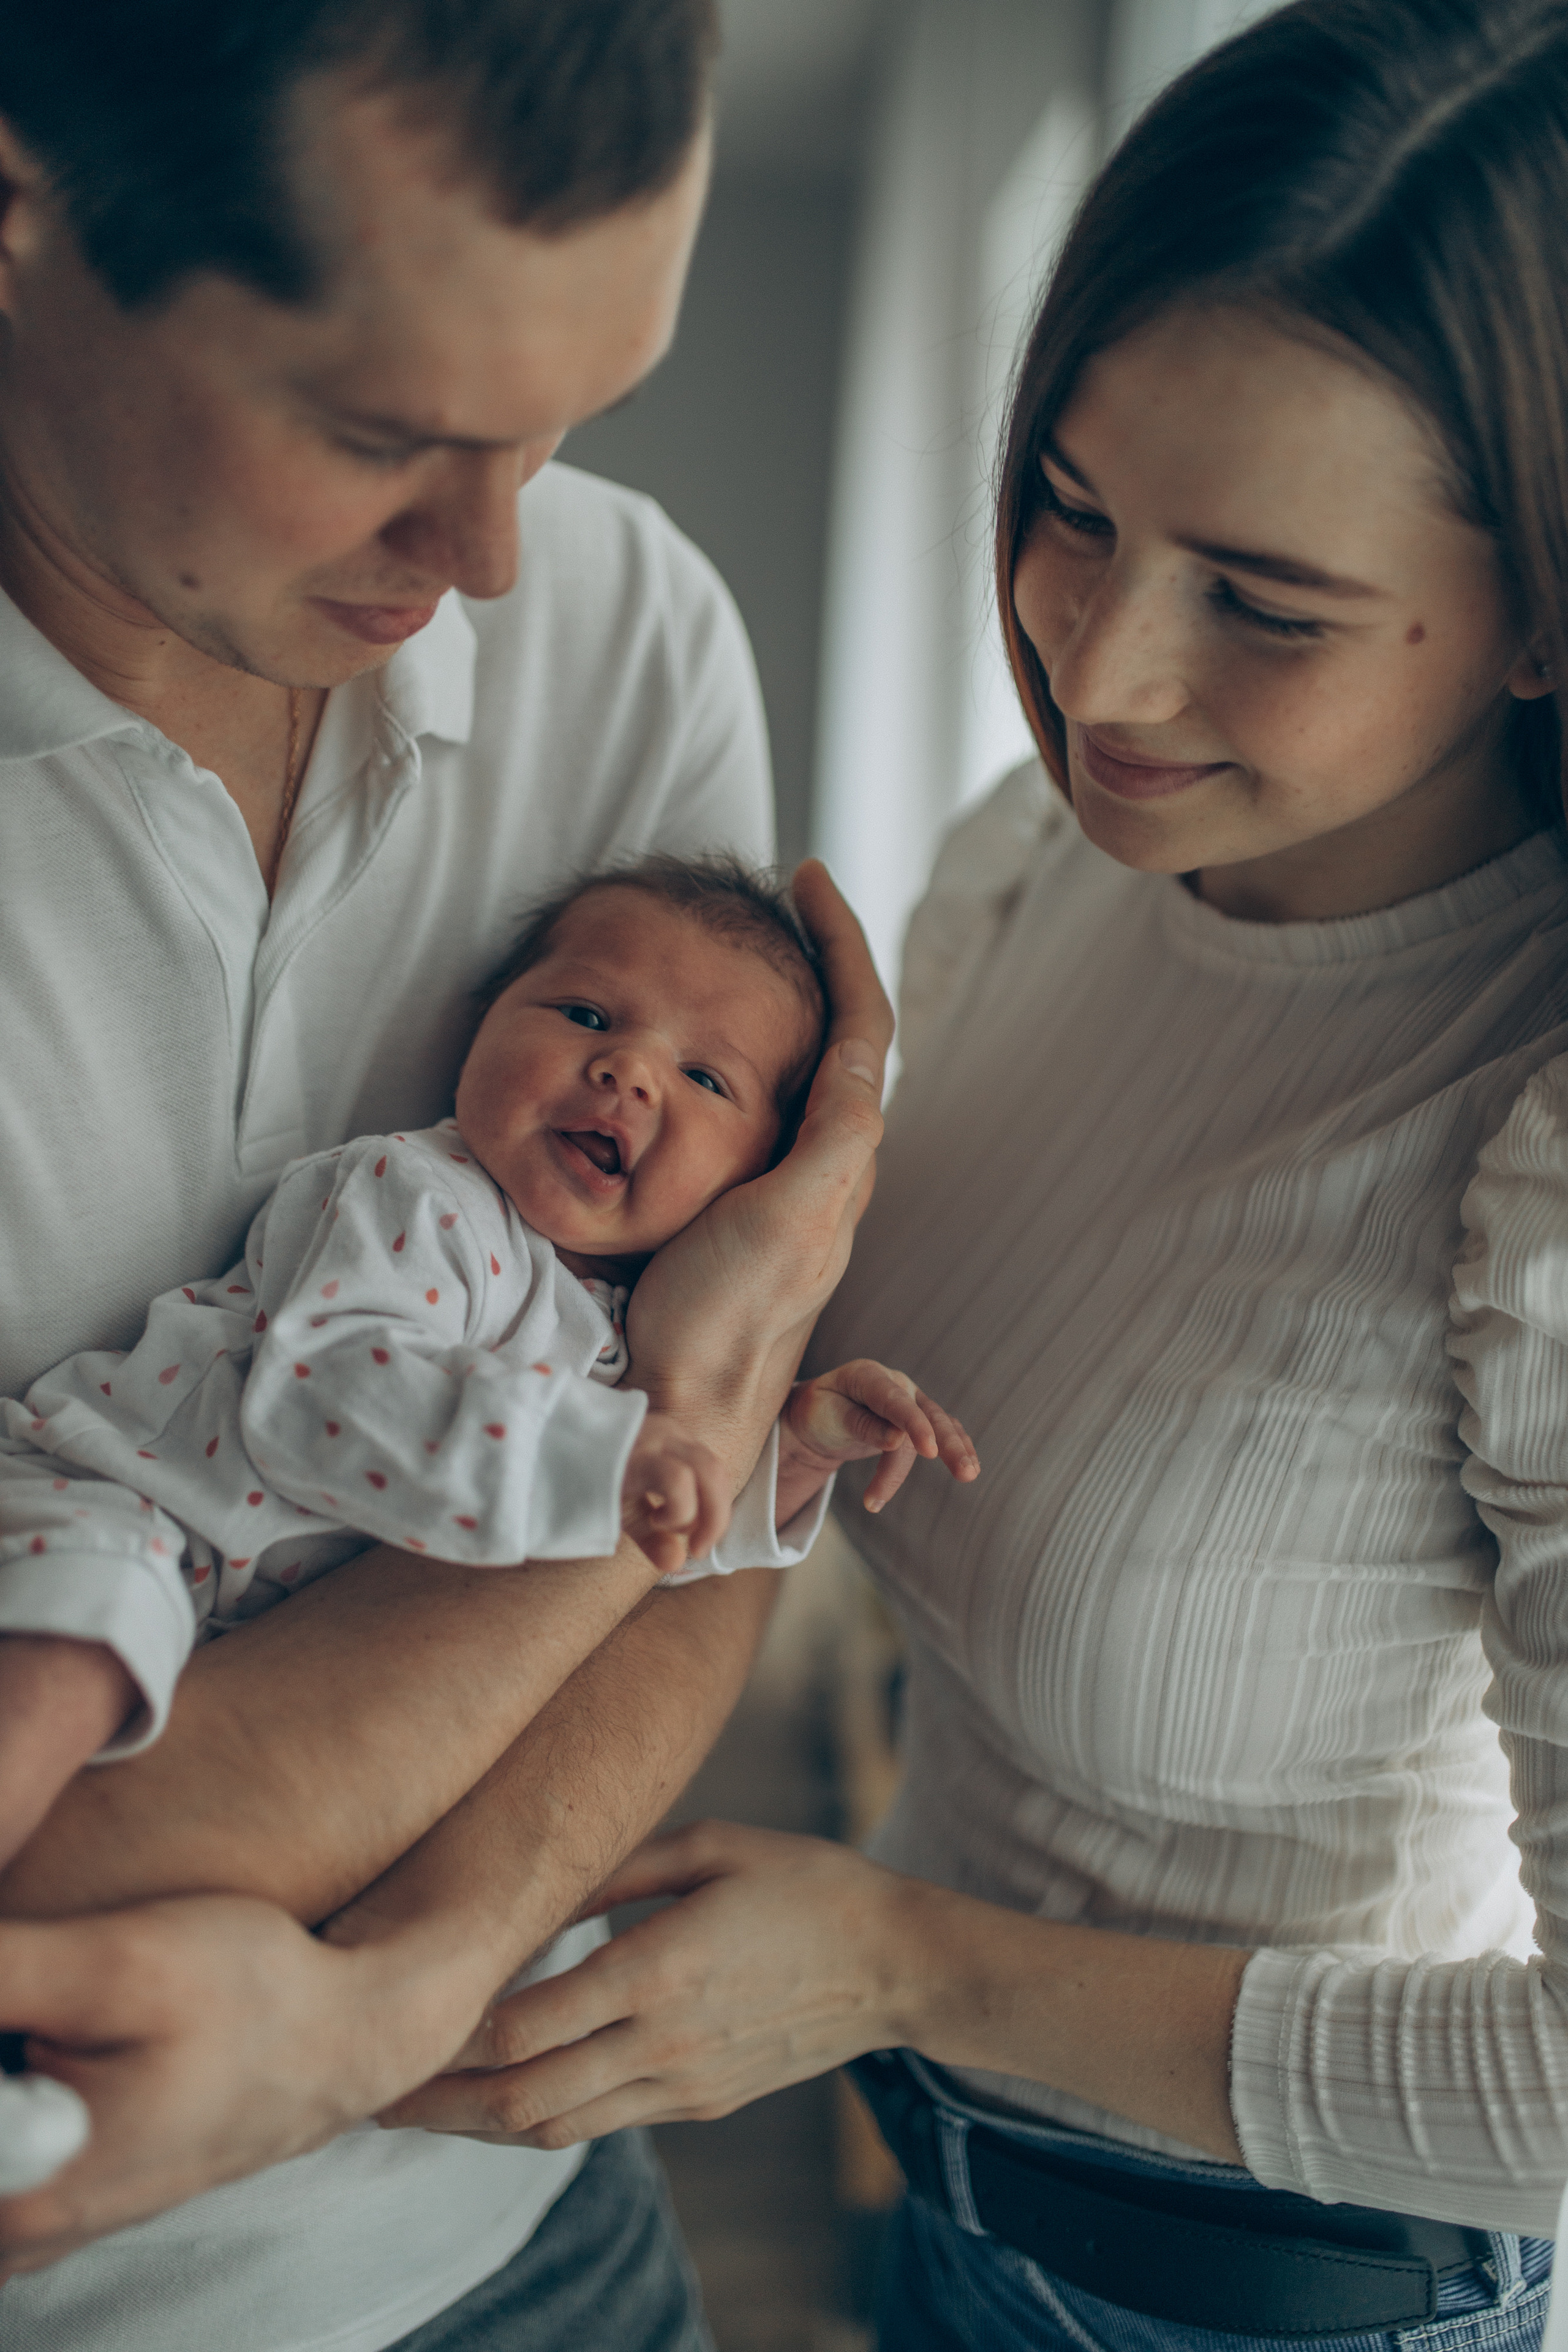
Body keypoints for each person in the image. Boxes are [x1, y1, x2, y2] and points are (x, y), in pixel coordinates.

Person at [415, 1, 1568, 2344]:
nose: (1100, 670)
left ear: (1542, 611)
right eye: (1067, 504)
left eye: (1262, 603)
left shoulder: (1532, 1153)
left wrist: (896, 1960)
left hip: (1269, 2297)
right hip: (953, 2195)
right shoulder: (1044, 857)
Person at [0, 4, 894, 2348]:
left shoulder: (626, 628)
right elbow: (57, 1846)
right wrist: (692, 1414)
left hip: (526, 2237)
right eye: (379, 432)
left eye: (566, 419)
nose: (492, 557)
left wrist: (394, 2005)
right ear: (19, 210)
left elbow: (699, 1557)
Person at [0, 854, 974, 1860]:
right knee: (70, 1667)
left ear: (759, 1174)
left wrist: (787, 1456)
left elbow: (652, 1538)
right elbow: (328, 1393)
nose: (629, 1070)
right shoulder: (417, 1193)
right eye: (587, 1016)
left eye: (703, 1076)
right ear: (481, 1025)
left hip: (231, 1630)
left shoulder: (635, 1323)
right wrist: (605, 1456)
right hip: (114, 1506)